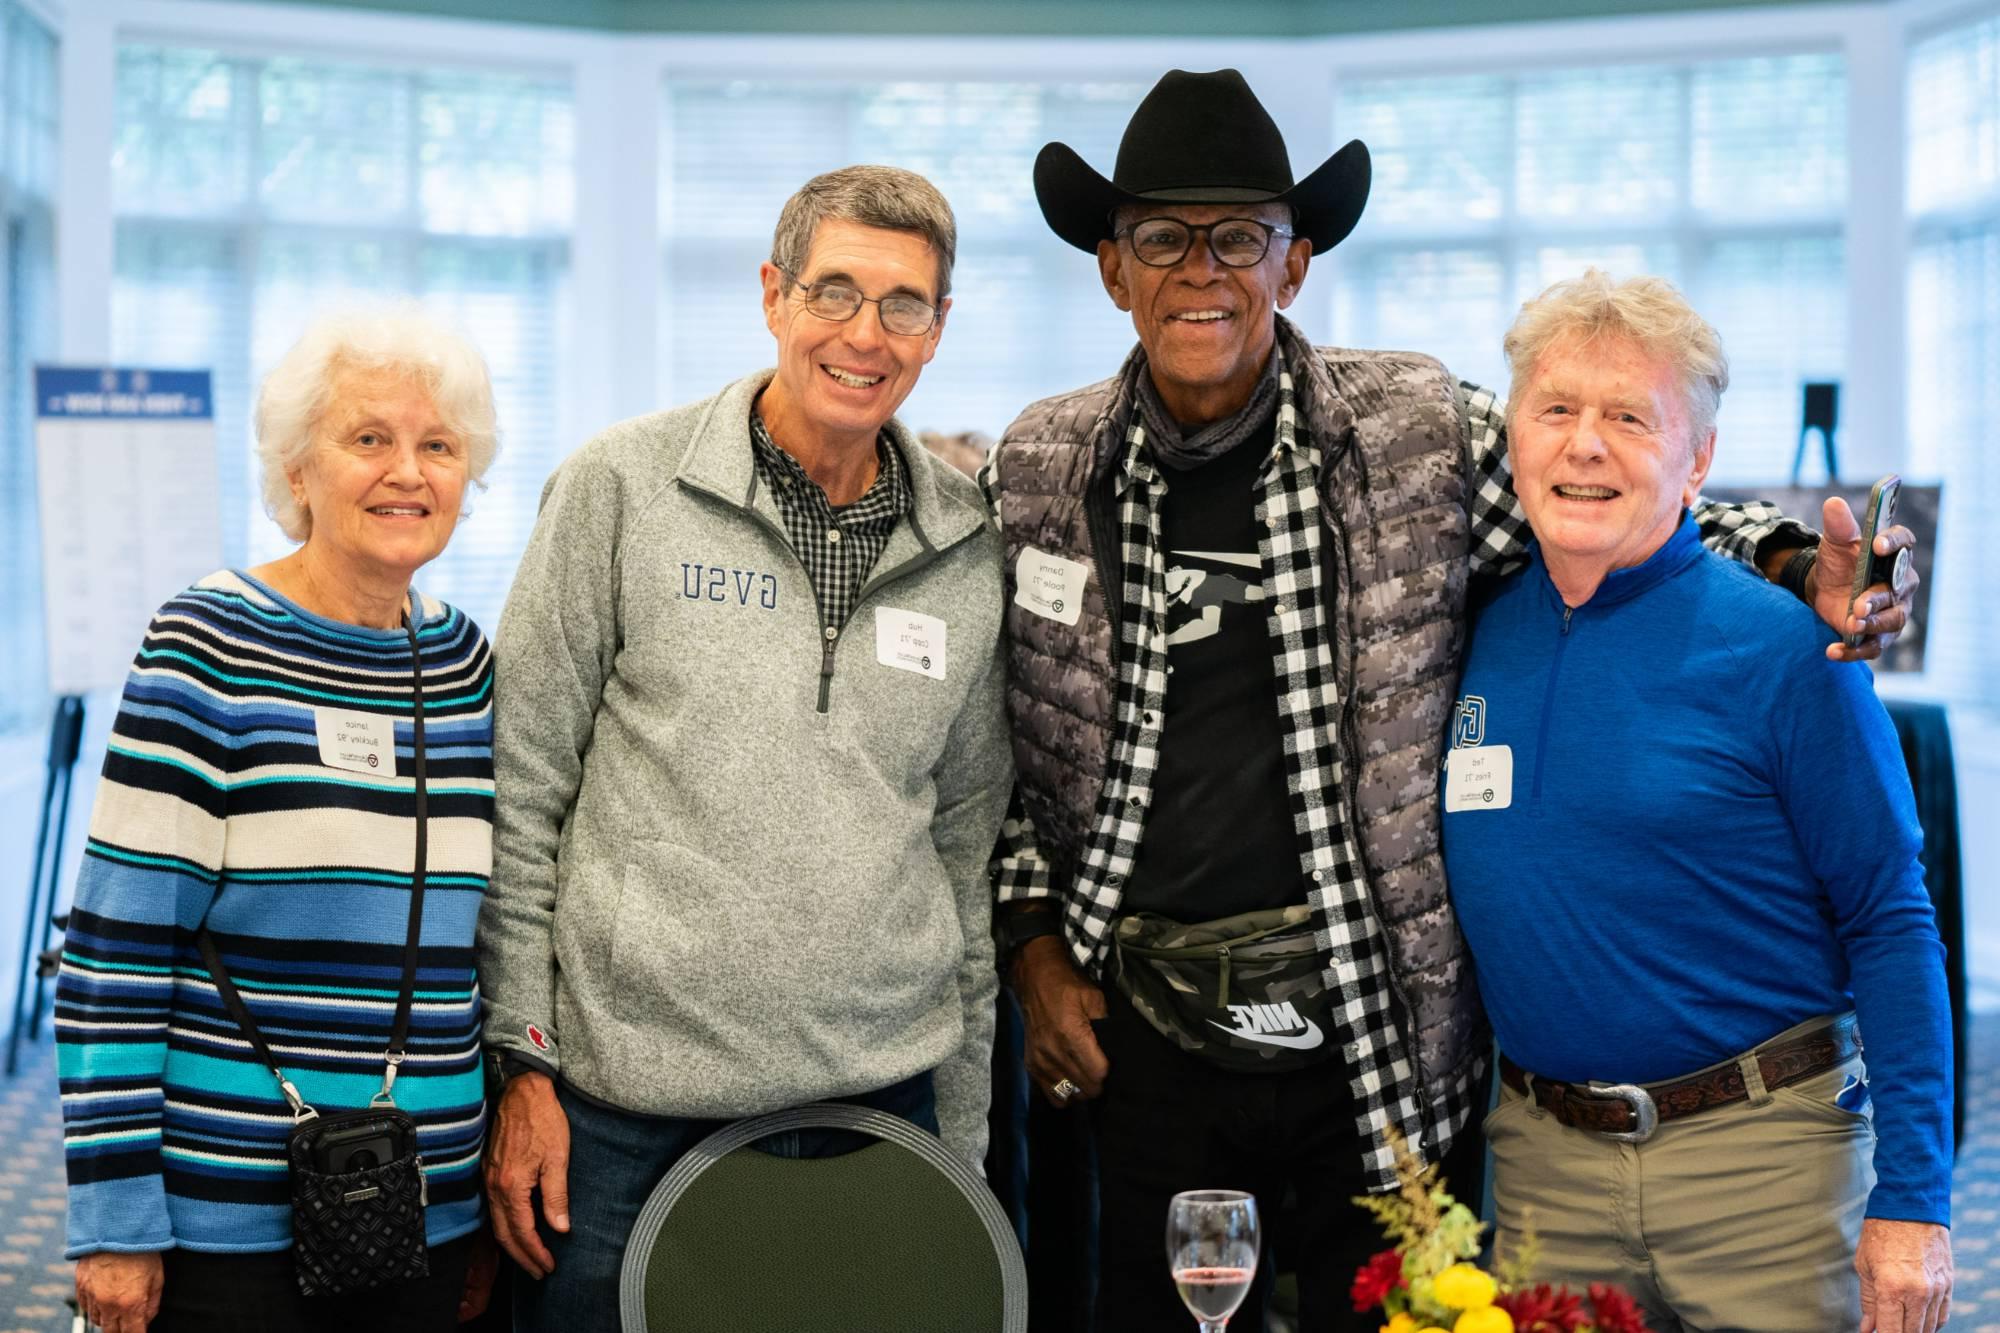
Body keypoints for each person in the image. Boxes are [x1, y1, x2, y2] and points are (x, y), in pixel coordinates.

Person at [980, 69, 1922, 1332]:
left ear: (1293, 263)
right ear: (1111, 267)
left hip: (1369, 1029)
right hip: (1143, 1028)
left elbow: (1597, 483)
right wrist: (1032, 943)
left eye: (1240, 238)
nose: (1199, 270)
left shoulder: (1412, 433)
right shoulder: (1038, 467)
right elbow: (999, 745)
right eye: (1160, 236)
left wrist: (1794, 562)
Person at [477, 163, 1013, 1332]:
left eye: (902, 305)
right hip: (621, 1123)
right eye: (833, 292)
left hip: (880, 1109)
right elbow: (517, 794)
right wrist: (520, 1065)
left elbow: (965, 855)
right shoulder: (620, 490)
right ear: (772, 295)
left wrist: (961, 1135)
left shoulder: (969, 548)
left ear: (937, 330)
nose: (863, 335)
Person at [1444, 270, 1951, 1333]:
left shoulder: (1786, 651)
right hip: (1544, 1168)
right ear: (1511, 442)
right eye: (1554, 410)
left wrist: (1912, 1198)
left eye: (1627, 416)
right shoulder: (1470, 636)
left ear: (1698, 460)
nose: (1583, 444)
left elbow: (1890, 916)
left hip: (1765, 1165)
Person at [57, 306, 502, 1332]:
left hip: (420, 1209)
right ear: (297, 470)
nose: (408, 471)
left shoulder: (463, 665)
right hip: (227, 1224)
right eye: (368, 438)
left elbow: (466, 951)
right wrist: (113, 1220)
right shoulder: (205, 644)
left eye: (438, 445)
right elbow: (116, 957)